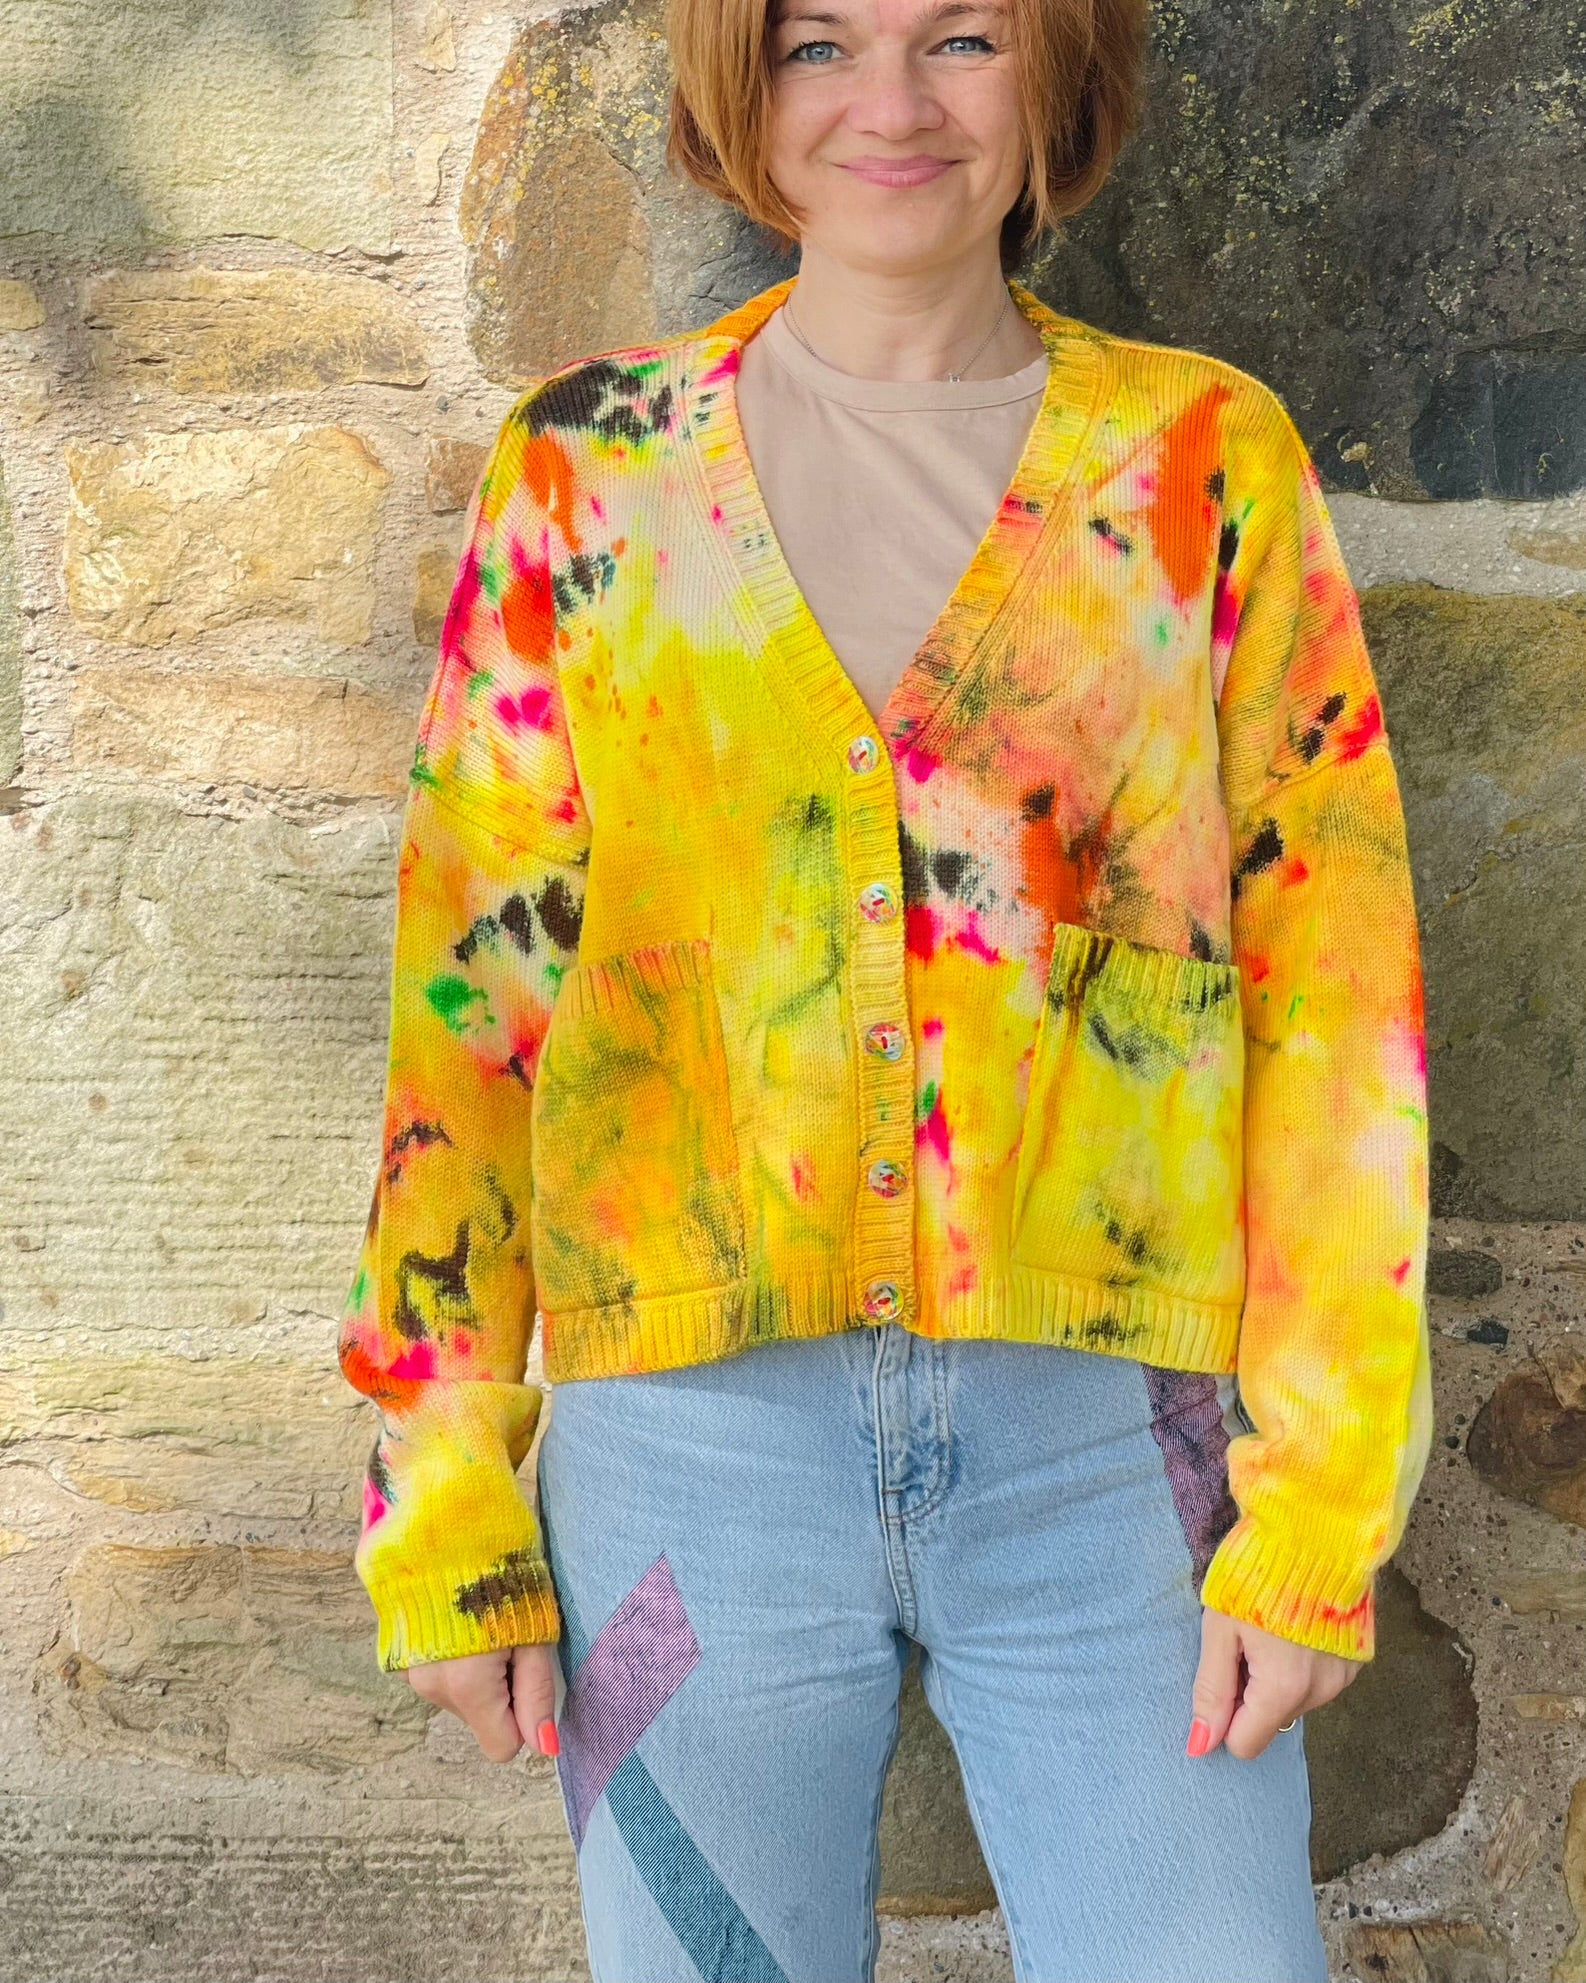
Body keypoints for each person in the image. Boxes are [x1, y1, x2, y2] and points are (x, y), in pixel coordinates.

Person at [336, 0, 1434, 1977]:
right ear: (739, 89)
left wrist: (1318, 1502)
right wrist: (444, 1495)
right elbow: (470, 1006)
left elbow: (1334, 1013)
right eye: (820, 44)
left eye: (963, 40)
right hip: (675, 1463)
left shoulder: (1206, 464)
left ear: (1054, 77)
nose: (892, 106)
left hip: (1124, 1457)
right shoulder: (584, 470)